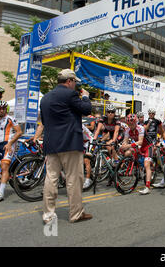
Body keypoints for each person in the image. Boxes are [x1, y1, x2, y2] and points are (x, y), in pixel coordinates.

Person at [40, 69, 93, 224]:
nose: (76, 85)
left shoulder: (45, 98)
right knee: (73, 179)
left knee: (51, 179)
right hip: (70, 142)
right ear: (69, 81)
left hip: (51, 143)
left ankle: (48, 215)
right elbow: (86, 110)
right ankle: (76, 214)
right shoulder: (70, 95)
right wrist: (85, 97)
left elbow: (44, 121)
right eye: (75, 82)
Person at [120, 114, 154, 195]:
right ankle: (135, 167)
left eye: (132, 124)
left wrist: (127, 146)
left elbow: (140, 142)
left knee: (146, 165)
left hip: (147, 147)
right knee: (127, 153)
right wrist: (123, 145)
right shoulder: (128, 130)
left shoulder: (140, 128)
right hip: (139, 147)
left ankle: (147, 187)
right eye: (129, 124)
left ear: (136, 122)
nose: (130, 126)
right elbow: (125, 140)